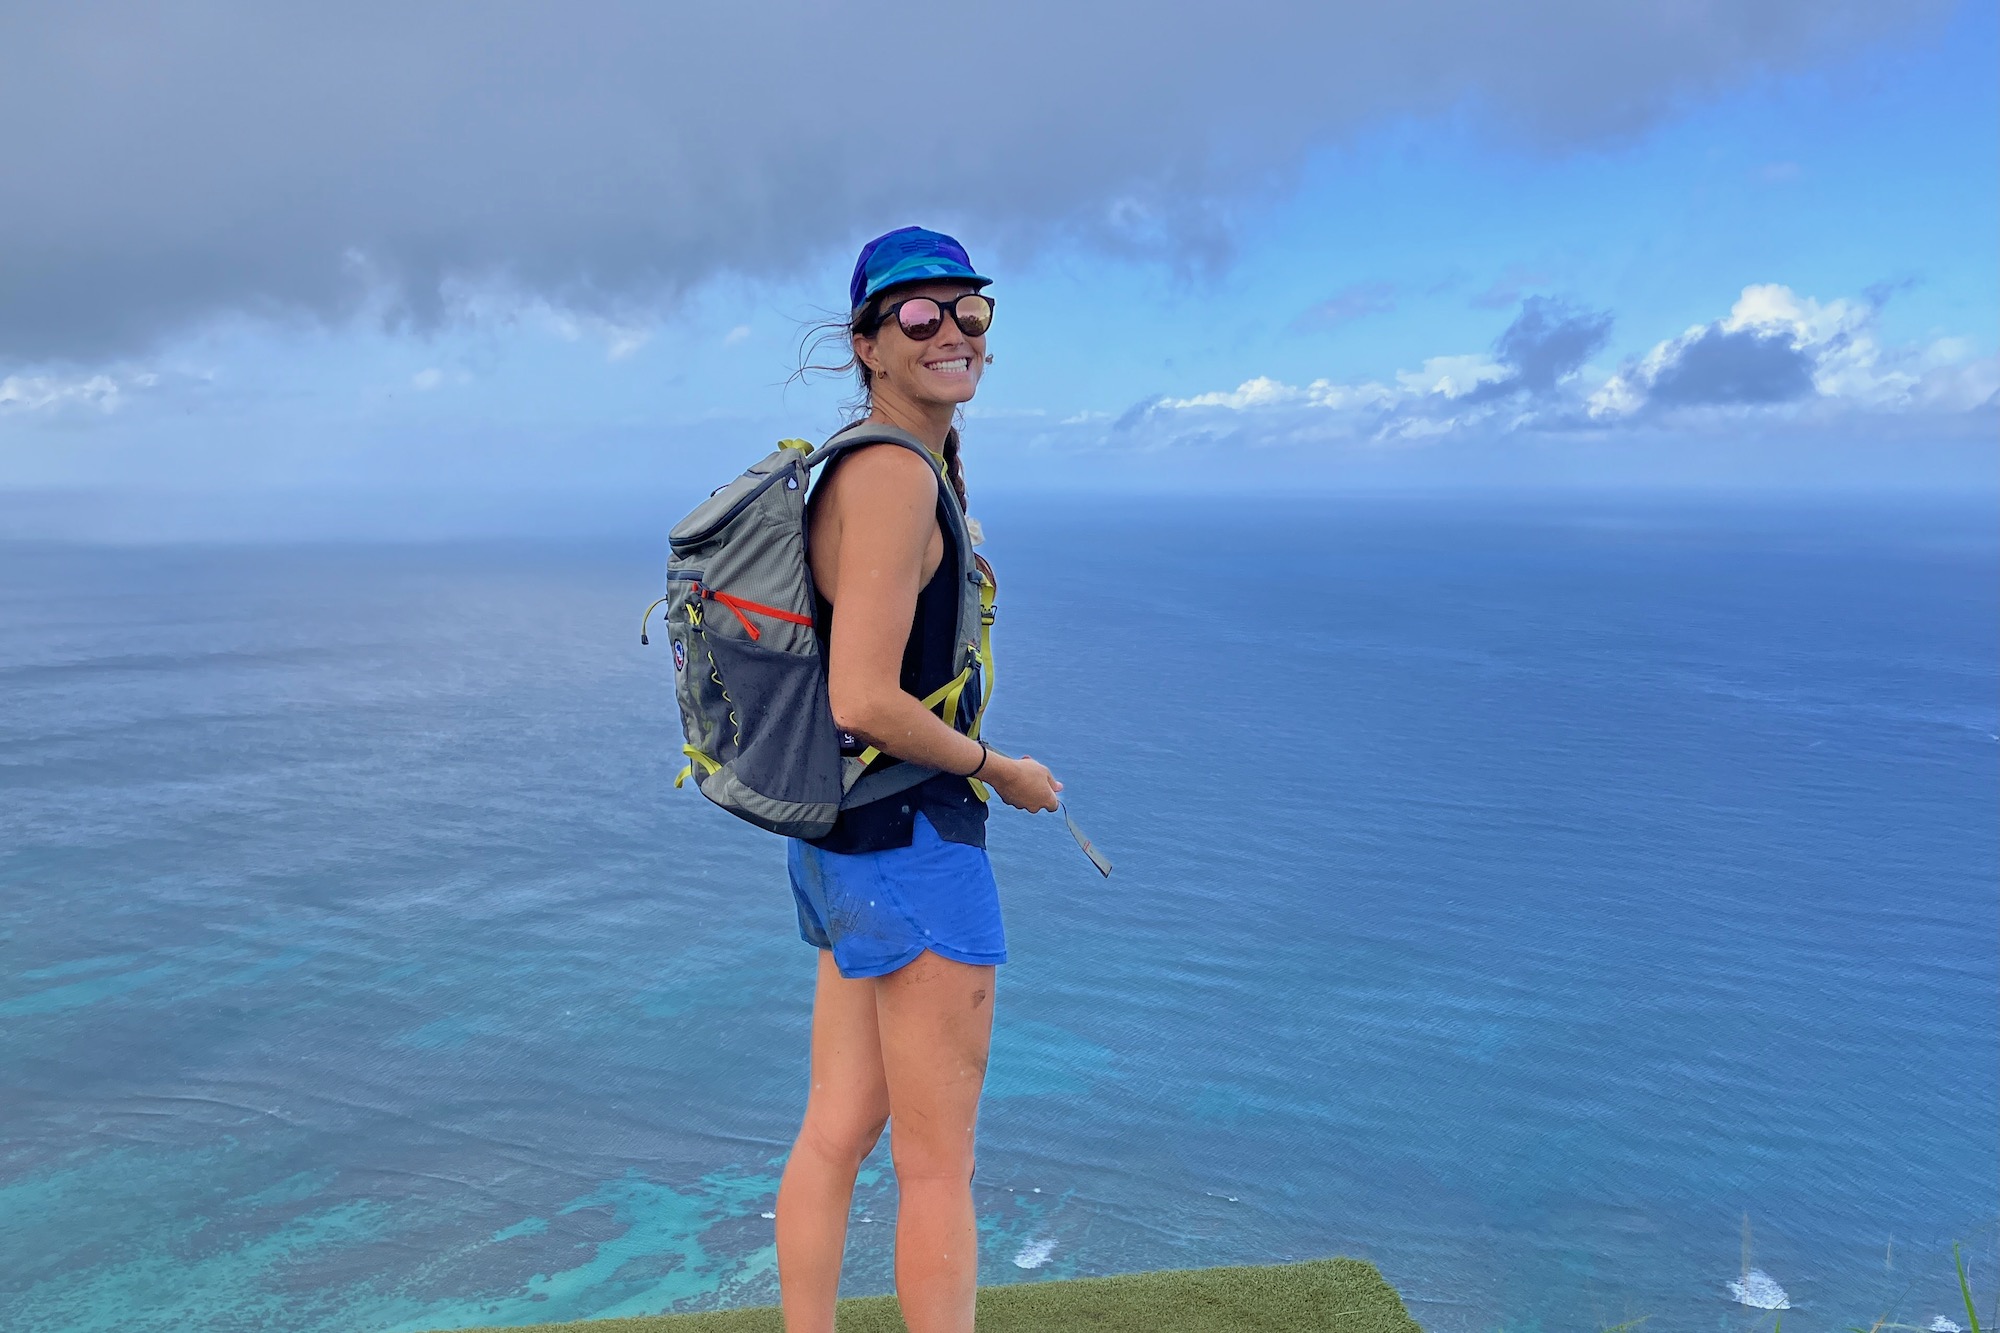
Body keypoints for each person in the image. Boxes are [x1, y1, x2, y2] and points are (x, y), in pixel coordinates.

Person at [773, 226, 1063, 1333]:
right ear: (865, 343)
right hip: (910, 849)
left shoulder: (860, 460)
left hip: (841, 842)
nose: (951, 331)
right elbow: (862, 698)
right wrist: (1004, 770)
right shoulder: (893, 477)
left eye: (968, 310)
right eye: (916, 314)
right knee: (937, 1166)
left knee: (835, 1129)